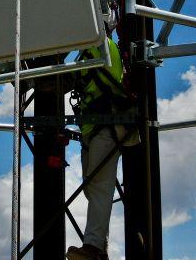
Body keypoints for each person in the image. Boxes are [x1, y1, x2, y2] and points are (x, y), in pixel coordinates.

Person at [66, 38, 137, 260]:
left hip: (106, 125)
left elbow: (76, 76)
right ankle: (98, 248)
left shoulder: (100, 45)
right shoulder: (93, 47)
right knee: (92, 188)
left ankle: (94, 247)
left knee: (99, 187)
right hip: (95, 126)